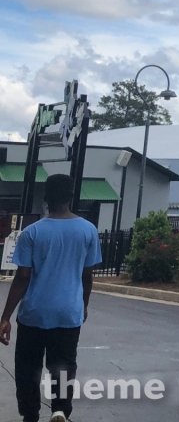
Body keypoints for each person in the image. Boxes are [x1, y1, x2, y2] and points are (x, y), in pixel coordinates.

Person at [1, 174, 102, 422]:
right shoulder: (88, 230)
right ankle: (59, 410)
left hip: (34, 314)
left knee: (28, 368)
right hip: (68, 313)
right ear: (71, 197)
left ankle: (30, 414)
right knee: (64, 364)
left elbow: (22, 278)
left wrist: (5, 317)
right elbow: (87, 276)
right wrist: (84, 305)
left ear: (45, 199)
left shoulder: (32, 233)